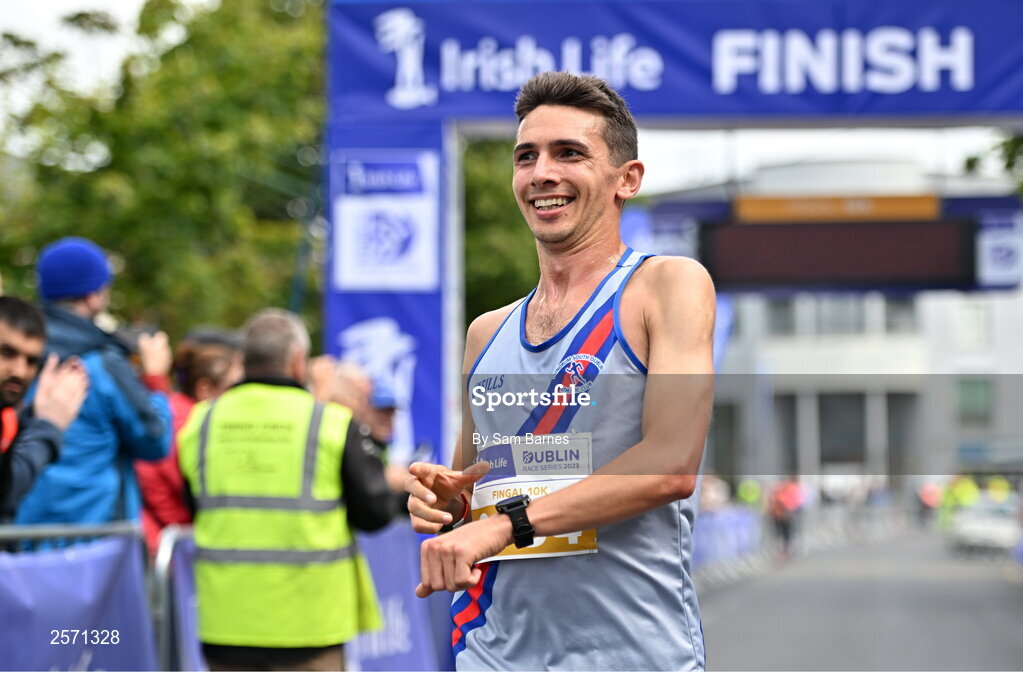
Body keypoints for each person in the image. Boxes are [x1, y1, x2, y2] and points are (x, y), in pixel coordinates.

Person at [405, 72, 715, 670]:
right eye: (527, 156)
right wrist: (449, 508)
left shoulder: (665, 286)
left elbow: (671, 466)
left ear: (627, 179)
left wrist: (501, 528)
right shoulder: (486, 333)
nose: (542, 172)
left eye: (569, 153)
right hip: (493, 653)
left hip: (632, 656)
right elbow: (477, 490)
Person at [177, 308, 398, 671]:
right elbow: (374, 515)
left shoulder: (201, 422)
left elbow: (195, 503)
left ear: (243, 361)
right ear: (298, 361)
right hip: (310, 630)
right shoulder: (329, 423)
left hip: (226, 626)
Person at [16, 237, 173, 526]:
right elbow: (155, 441)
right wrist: (156, 381)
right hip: (92, 546)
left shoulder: (19, 354)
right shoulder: (102, 364)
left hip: (19, 539)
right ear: (93, 295)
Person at [135, 335, 243, 554]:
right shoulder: (187, 424)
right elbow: (161, 491)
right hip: (170, 548)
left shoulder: (179, 415)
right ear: (205, 390)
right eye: (233, 387)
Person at [0, 296, 89, 522]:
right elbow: (4, 493)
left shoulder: (8, 414)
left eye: (31, 361)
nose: (19, 371)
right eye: (7, 352)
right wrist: (48, 425)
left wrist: (33, 417)